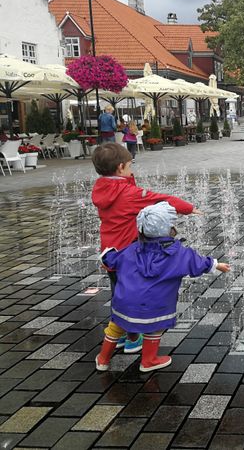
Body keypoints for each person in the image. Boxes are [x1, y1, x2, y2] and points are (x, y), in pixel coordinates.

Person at [96, 202, 230, 372]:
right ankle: (149, 361)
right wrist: (217, 265)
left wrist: (106, 256)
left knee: (115, 328)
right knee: (154, 329)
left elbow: (111, 259)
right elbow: (198, 262)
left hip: (124, 304)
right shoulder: (178, 253)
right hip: (156, 307)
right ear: (169, 229)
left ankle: (102, 359)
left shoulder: (131, 249)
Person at [91, 143, 199, 353]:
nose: (132, 170)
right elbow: (161, 200)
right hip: (130, 254)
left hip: (110, 253)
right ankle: (133, 338)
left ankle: (119, 334)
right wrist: (188, 208)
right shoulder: (128, 193)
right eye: (130, 166)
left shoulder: (101, 189)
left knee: (119, 293)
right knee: (135, 295)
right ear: (121, 168)